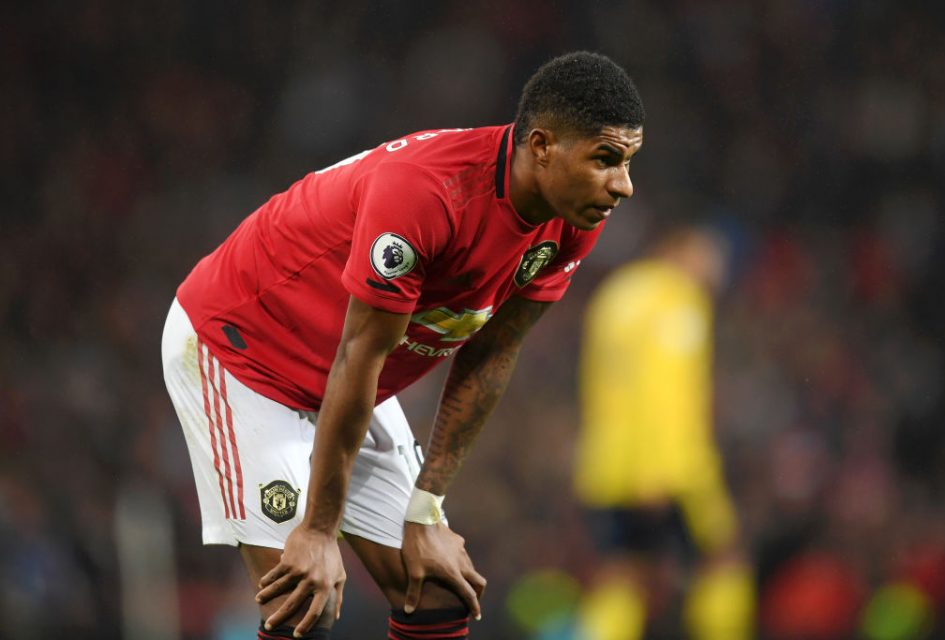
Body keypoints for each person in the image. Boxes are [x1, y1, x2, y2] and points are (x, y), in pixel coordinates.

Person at [161, 51, 645, 639]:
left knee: (438, 592)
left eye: (627, 162)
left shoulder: (574, 220)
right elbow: (358, 356)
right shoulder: (427, 194)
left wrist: (426, 509)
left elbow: (493, 353)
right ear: (541, 146)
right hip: (243, 351)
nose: (622, 185)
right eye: (606, 160)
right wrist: (316, 529)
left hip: (345, 370)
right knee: (304, 604)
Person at [573, 225, 755, 639]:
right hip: (669, 467)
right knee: (724, 559)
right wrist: (656, 472)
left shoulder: (616, 295)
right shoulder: (676, 300)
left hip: (605, 465)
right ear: (681, 248)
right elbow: (662, 389)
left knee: (622, 572)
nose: (717, 272)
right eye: (711, 257)